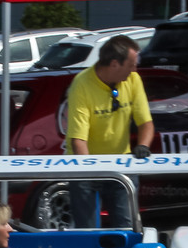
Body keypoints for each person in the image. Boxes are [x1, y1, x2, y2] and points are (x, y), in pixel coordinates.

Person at [65, 34, 154, 228]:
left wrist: (143, 146)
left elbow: (146, 123)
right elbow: (78, 140)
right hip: (86, 164)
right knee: (88, 230)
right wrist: (91, 172)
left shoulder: (133, 79)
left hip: (121, 163)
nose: (135, 69)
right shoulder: (81, 84)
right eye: (131, 65)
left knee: (127, 225)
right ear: (114, 64)